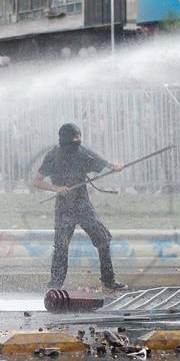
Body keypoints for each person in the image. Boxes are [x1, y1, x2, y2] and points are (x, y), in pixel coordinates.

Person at [33, 123, 127, 291]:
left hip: (82, 205)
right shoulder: (53, 156)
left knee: (103, 239)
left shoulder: (82, 151)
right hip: (64, 207)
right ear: (64, 139)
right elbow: (37, 181)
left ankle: (108, 280)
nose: (77, 142)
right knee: (61, 247)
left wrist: (114, 166)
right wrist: (57, 189)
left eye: (79, 138)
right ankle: (55, 286)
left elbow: (104, 163)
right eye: (74, 138)